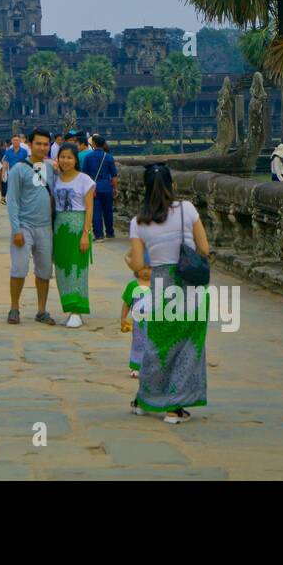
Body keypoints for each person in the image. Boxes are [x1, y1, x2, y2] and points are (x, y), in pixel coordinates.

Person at [126, 163, 213, 423]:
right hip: (189, 284)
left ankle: (145, 399)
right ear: (171, 185)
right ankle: (175, 406)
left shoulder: (138, 222)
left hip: (161, 284)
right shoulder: (187, 210)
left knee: (157, 344)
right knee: (188, 345)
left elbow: (139, 264)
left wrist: (127, 259)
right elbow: (205, 248)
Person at [6, 128, 57, 325]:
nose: (42, 148)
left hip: (45, 226)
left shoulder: (51, 168)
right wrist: (16, 229)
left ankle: (42, 310)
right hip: (24, 225)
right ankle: (14, 307)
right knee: (19, 268)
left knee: (44, 271)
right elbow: (12, 201)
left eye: (46, 144)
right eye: (39, 143)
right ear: (30, 143)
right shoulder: (18, 169)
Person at [51, 144, 95, 327]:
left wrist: (86, 233)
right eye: (62, 157)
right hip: (60, 227)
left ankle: (78, 310)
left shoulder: (85, 180)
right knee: (62, 270)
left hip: (78, 226)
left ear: (76, 160)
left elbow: (90, 209)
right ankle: (70, 308)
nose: (65, 161)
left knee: (78, 269)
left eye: (69, 157)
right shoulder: (55, 179)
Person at [81, 136, 119, 239]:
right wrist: (115, 188)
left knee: (95, 211)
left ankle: (99, 235)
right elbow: (114, 176)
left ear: (93, 144)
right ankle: (110, 232)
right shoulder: (109, 157)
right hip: (107, 187)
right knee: (108, 211)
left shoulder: (88, 157)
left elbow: (84, 175)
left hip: (93, 188)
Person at [121, 273, 149, 379]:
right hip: (139, 323)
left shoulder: (159, 285)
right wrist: (123, 318)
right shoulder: (133, 285)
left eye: (150, 268)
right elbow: (126, 303)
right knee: (138, 342)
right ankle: (136, 366)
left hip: (155, 322)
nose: (146, 271)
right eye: (143, 268)